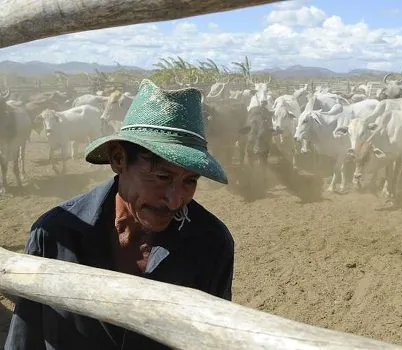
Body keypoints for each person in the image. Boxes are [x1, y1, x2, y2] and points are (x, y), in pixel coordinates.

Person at [5, 79, 234, 350]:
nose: (175, 201)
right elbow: (25, 340)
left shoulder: (210, 243)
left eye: (190, 181)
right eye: (161, 176)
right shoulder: (54, 234)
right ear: (118, 159)